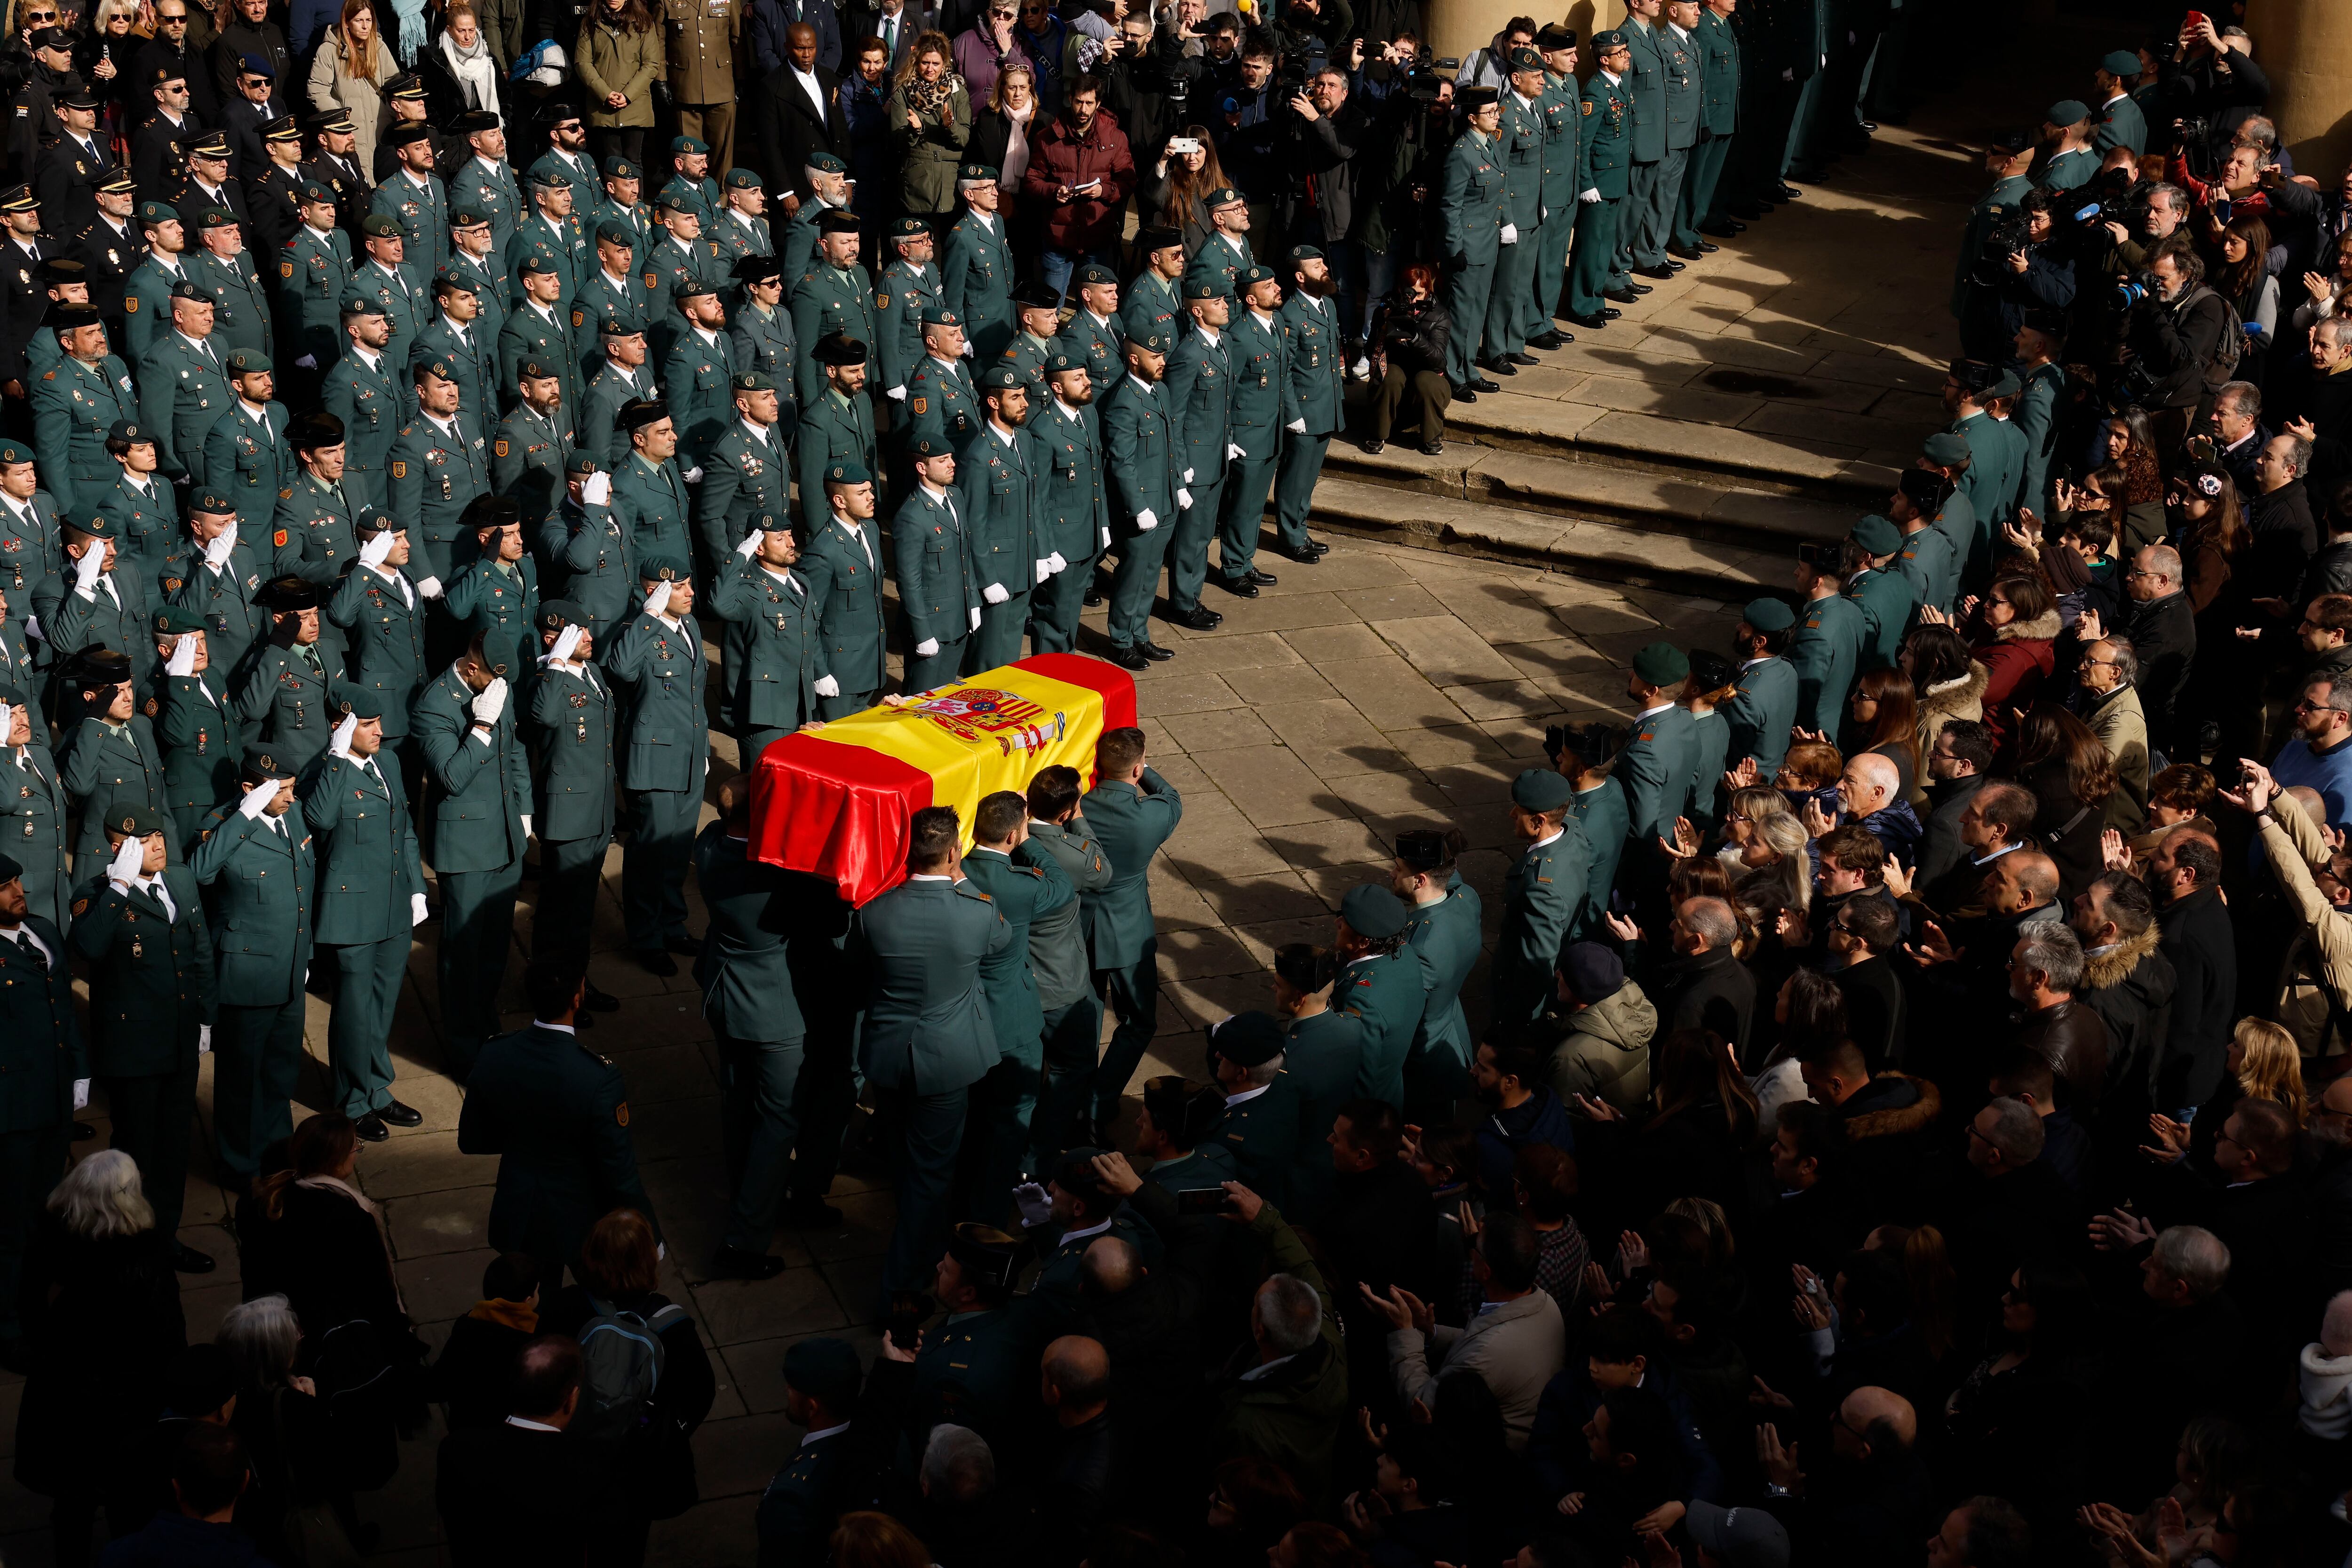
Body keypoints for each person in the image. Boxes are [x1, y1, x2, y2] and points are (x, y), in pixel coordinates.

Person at [459, 956, 659, 1295]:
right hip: (581, 1220)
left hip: (520, 1210)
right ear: (577, 1000)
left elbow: (472, 1138)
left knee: (532, 1310)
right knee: (606, 1305)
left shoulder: (495, 1053)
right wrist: (650, 1231)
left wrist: (523, 1140)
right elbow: (619, 1168)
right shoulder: (598, 1076)